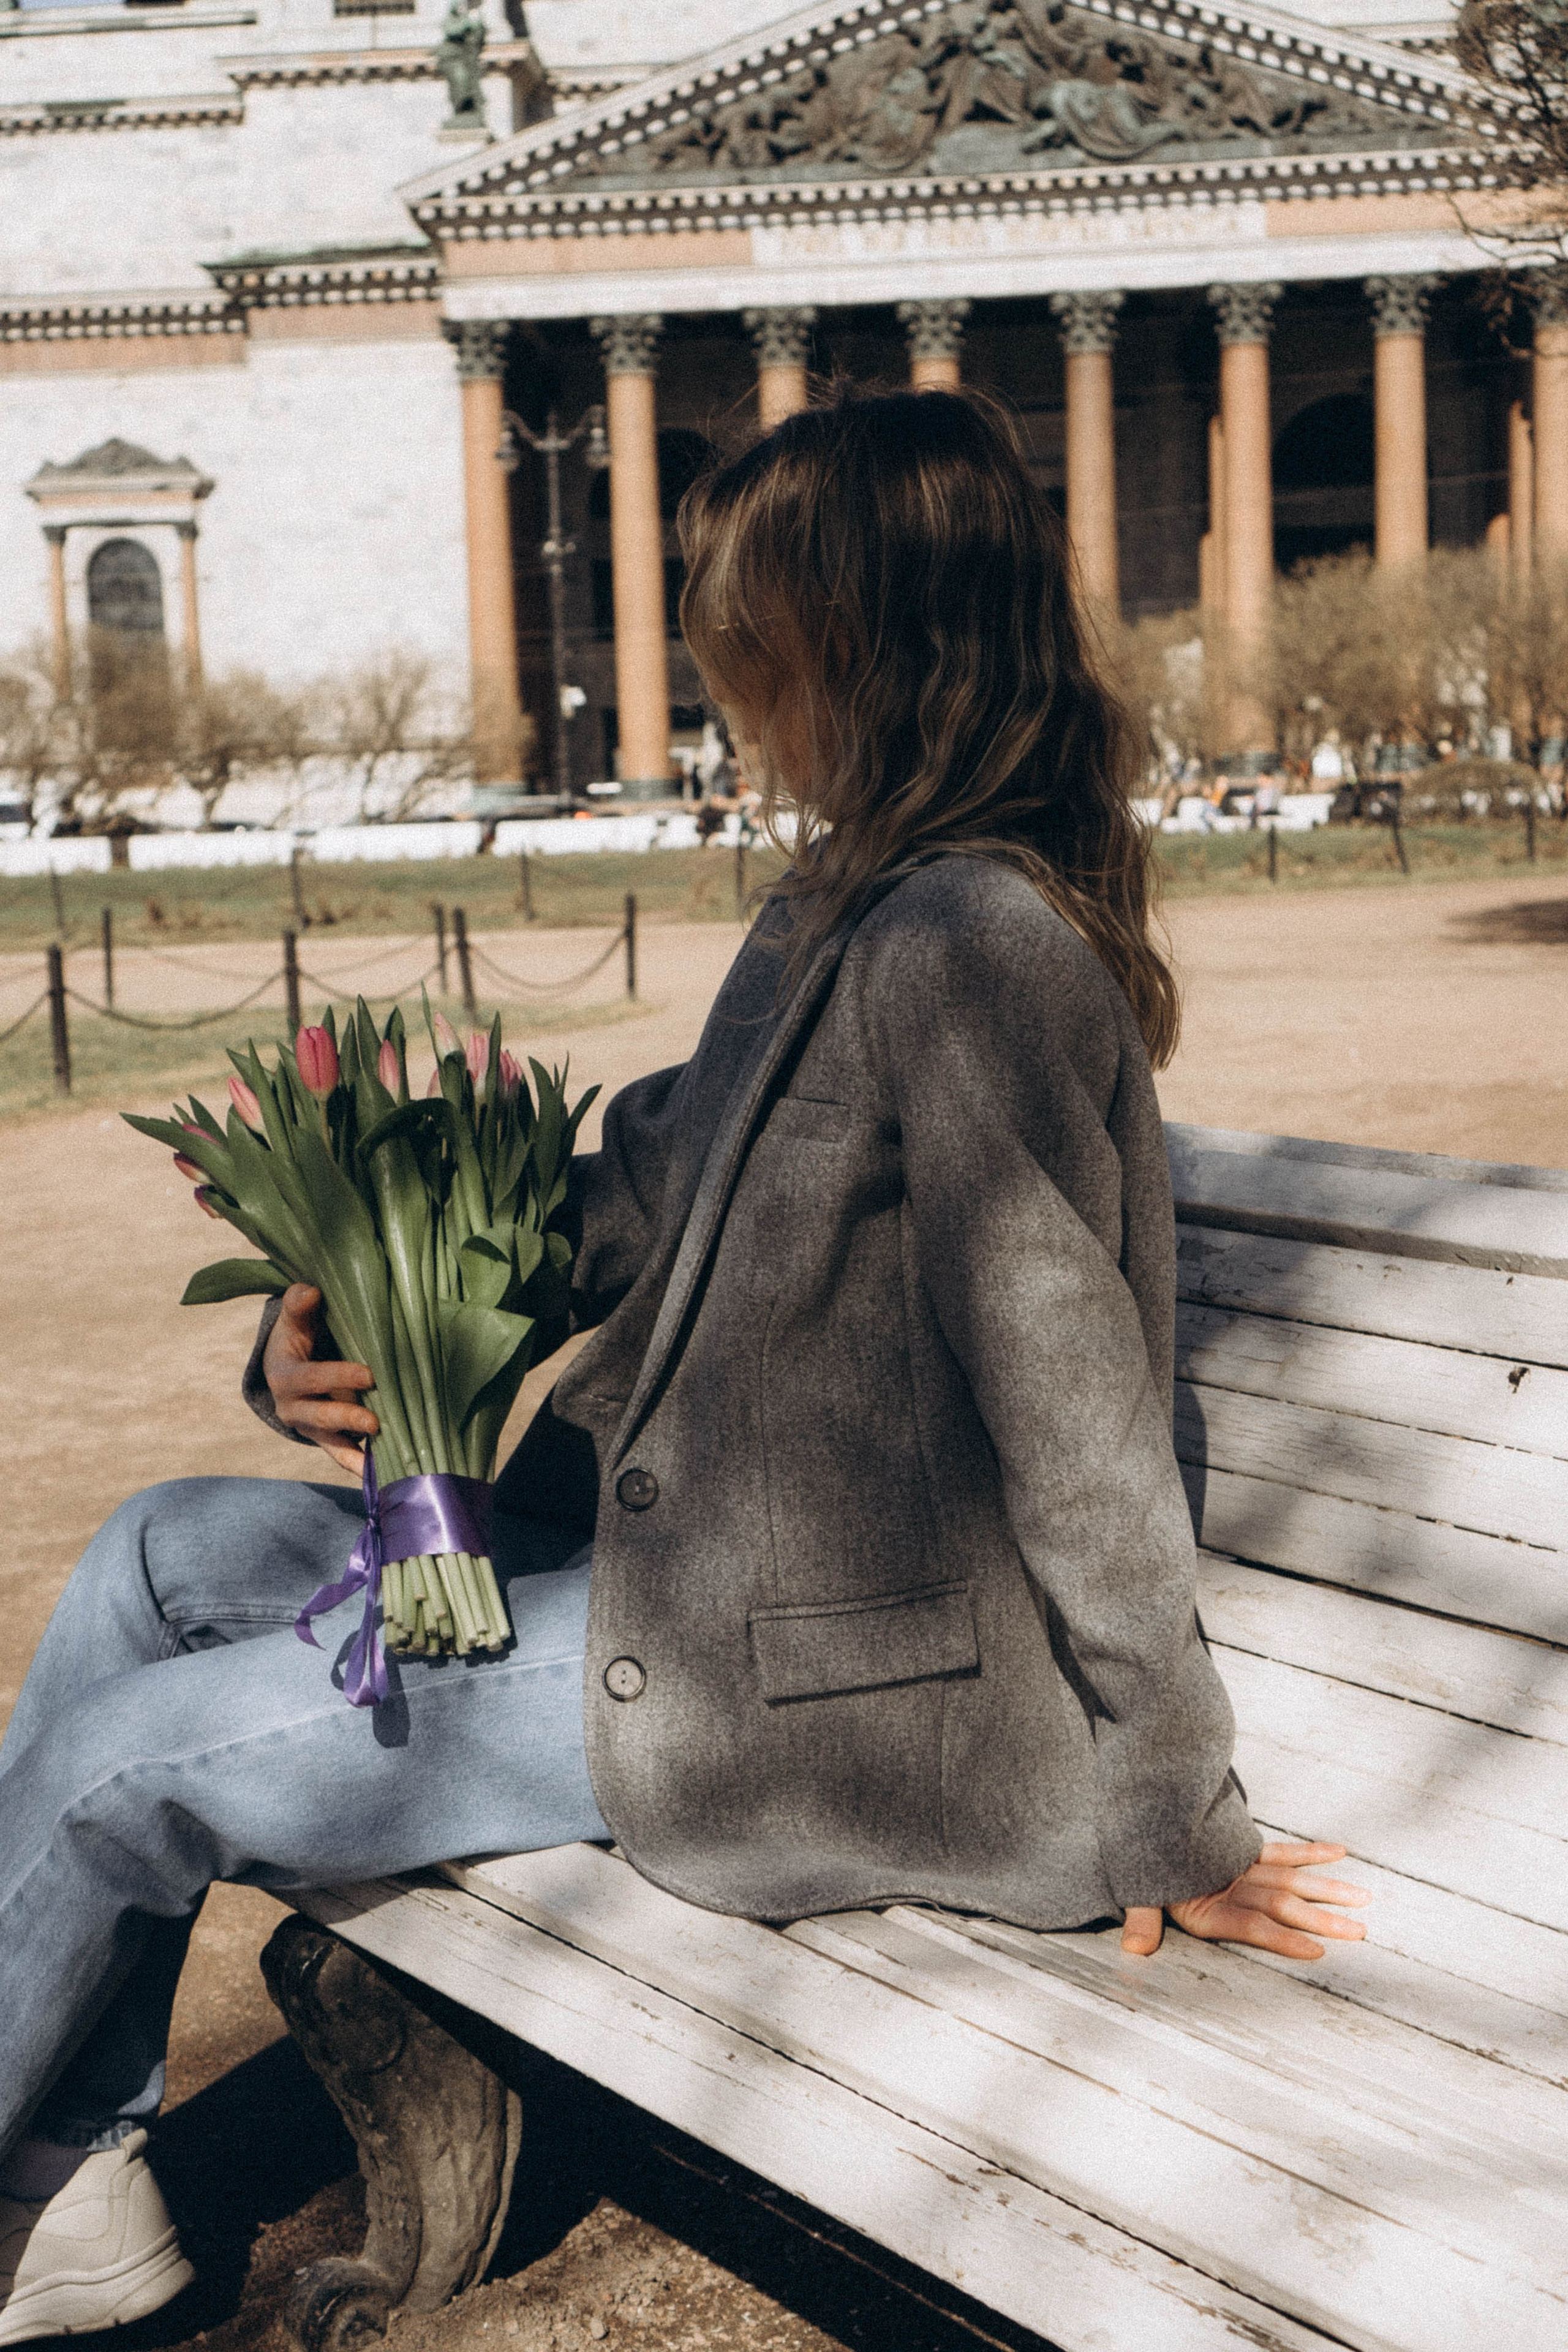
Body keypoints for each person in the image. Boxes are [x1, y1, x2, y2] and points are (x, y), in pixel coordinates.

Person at [0, 387, 1367, 2345]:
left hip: (789, 1690)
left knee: (116, 1779)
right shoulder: (827, 920)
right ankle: (69, 2188)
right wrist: (363, 1293)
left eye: (757, 663)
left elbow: (1079, 1419)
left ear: (878, 661)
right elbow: (627, 1195)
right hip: (653, 1587)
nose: (729, 704)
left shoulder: (978, 947)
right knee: (151, 1553)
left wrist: (1171, 1809)